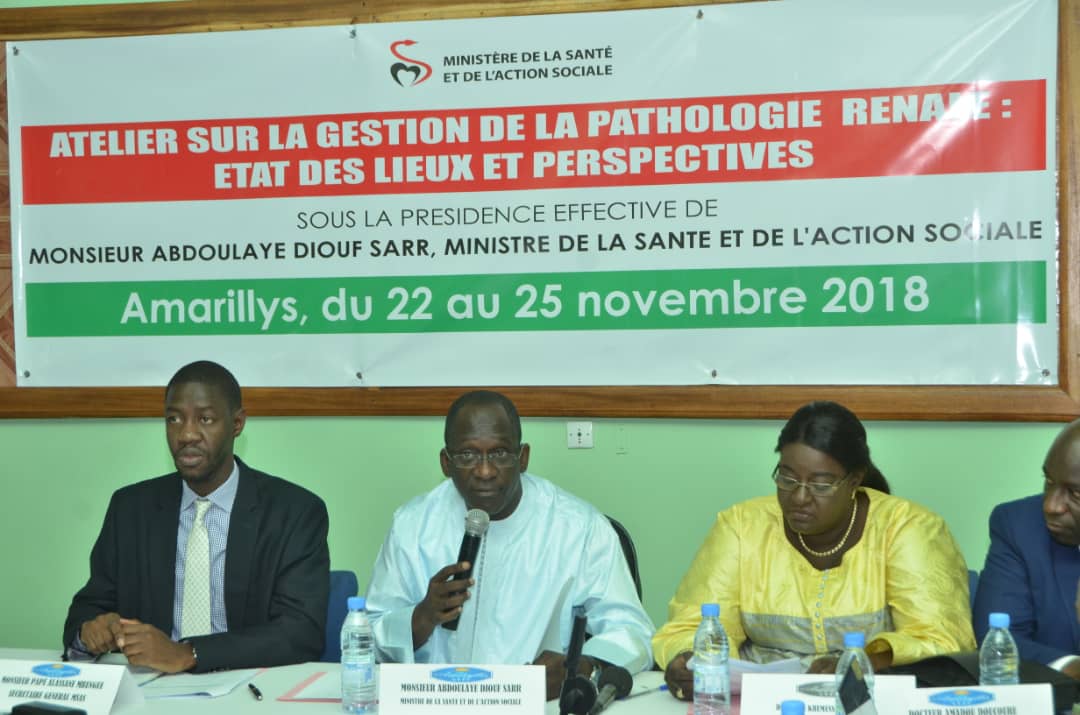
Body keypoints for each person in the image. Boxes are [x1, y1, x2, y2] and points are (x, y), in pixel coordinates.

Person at [653, 401, 975, 702]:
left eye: (821, 485)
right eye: (787, 478)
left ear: (854, 481)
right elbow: (692, 625)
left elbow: (943, 639)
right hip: (759, 702)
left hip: (868, 701)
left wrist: (865, 662)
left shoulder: (907, 528)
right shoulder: (741, 526)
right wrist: (688, 660)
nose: (799, 497)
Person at [365, 390, 654, 700]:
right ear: (446, 463)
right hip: (435, 698)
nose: (485, 471)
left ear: (523, 458)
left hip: (540, 703)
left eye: (500, 453)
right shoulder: (413, 525)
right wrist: (421, 618)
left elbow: (631, 631)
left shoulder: (579, 528)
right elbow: (365, 635)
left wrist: (580, 667)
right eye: (468, 455)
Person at [63, 360, 330, 673]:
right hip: (151, 687)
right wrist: (91, 631)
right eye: (174, 419)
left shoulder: (294, 512)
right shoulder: (131, 509)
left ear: (237, 424)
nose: (187, 434)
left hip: (250, 684)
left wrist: (189, 653)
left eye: (205, 419)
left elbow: (300, 633)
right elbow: (89, 607)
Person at [974, 418, 1080, 677]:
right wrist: (1072, 668)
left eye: (1076, 493)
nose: (1051, 506)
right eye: (1049, 481)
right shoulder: (1019, 525)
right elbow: (998, 639)